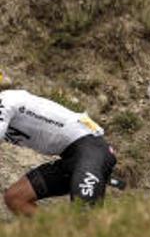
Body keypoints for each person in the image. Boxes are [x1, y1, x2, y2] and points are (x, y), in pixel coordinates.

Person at [0, 71, 117, 216]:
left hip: (91, 149)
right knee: (16, 198)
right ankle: (58, 235)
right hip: (70, 157)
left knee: (85, 220)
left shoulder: (6, 100)